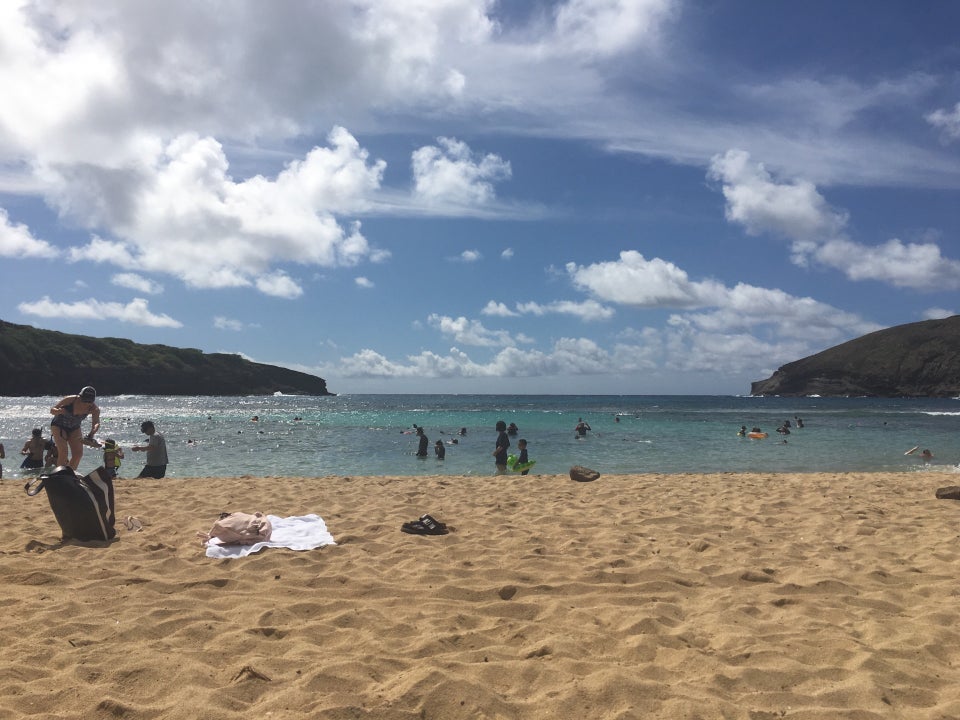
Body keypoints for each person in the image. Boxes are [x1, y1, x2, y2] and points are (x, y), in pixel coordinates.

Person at [50, 386, 101, 470]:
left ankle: (70, 473)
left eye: (89, 402)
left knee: (78, 454)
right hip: (59, 425)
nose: (86, 404)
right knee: (63, 452)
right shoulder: (70, 400)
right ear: (80, 397)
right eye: (84, 400)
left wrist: (92, 432)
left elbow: (96, 422)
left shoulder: (94, 409)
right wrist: (59, 411)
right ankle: (60, 473)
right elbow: (52, 410)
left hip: (74, 427)